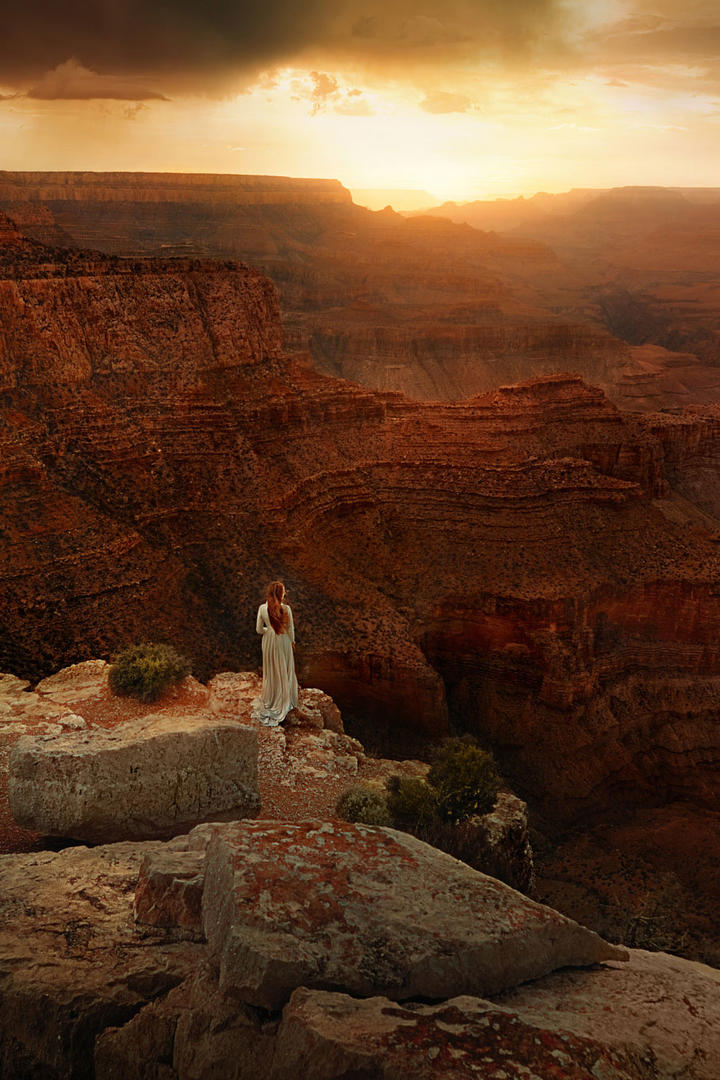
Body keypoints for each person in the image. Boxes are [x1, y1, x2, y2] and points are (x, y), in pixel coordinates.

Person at [255, 581, 298, 724]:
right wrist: (292, 642)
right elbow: (290, 630)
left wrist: (269, 631)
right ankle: (285, 698)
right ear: (281, 594)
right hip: (283, 640)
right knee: (283, 668)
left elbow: (259, 630)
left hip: (268, 641)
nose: (285, 592)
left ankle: (270, 697)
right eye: (284, 591)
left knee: (271, 669)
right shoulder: (286, 609)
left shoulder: (262, 608)